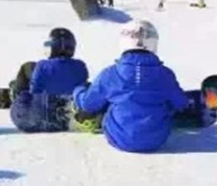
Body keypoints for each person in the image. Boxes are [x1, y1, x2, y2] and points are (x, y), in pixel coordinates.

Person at [72, 20, 189, 153]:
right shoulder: (165, 74)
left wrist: (78, 91)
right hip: (157, 140)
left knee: (107, 100)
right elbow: (182, 103)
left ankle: (96, 118)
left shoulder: (110, 74)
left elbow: (88, 104)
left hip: (119, 139)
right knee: (165, 100)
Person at [10, 27, 90, 97]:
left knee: (27, 67)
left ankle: (17, 92)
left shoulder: (42, 65)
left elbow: (34, 91)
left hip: (43, 107)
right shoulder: (80, 66)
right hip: (71, 107)